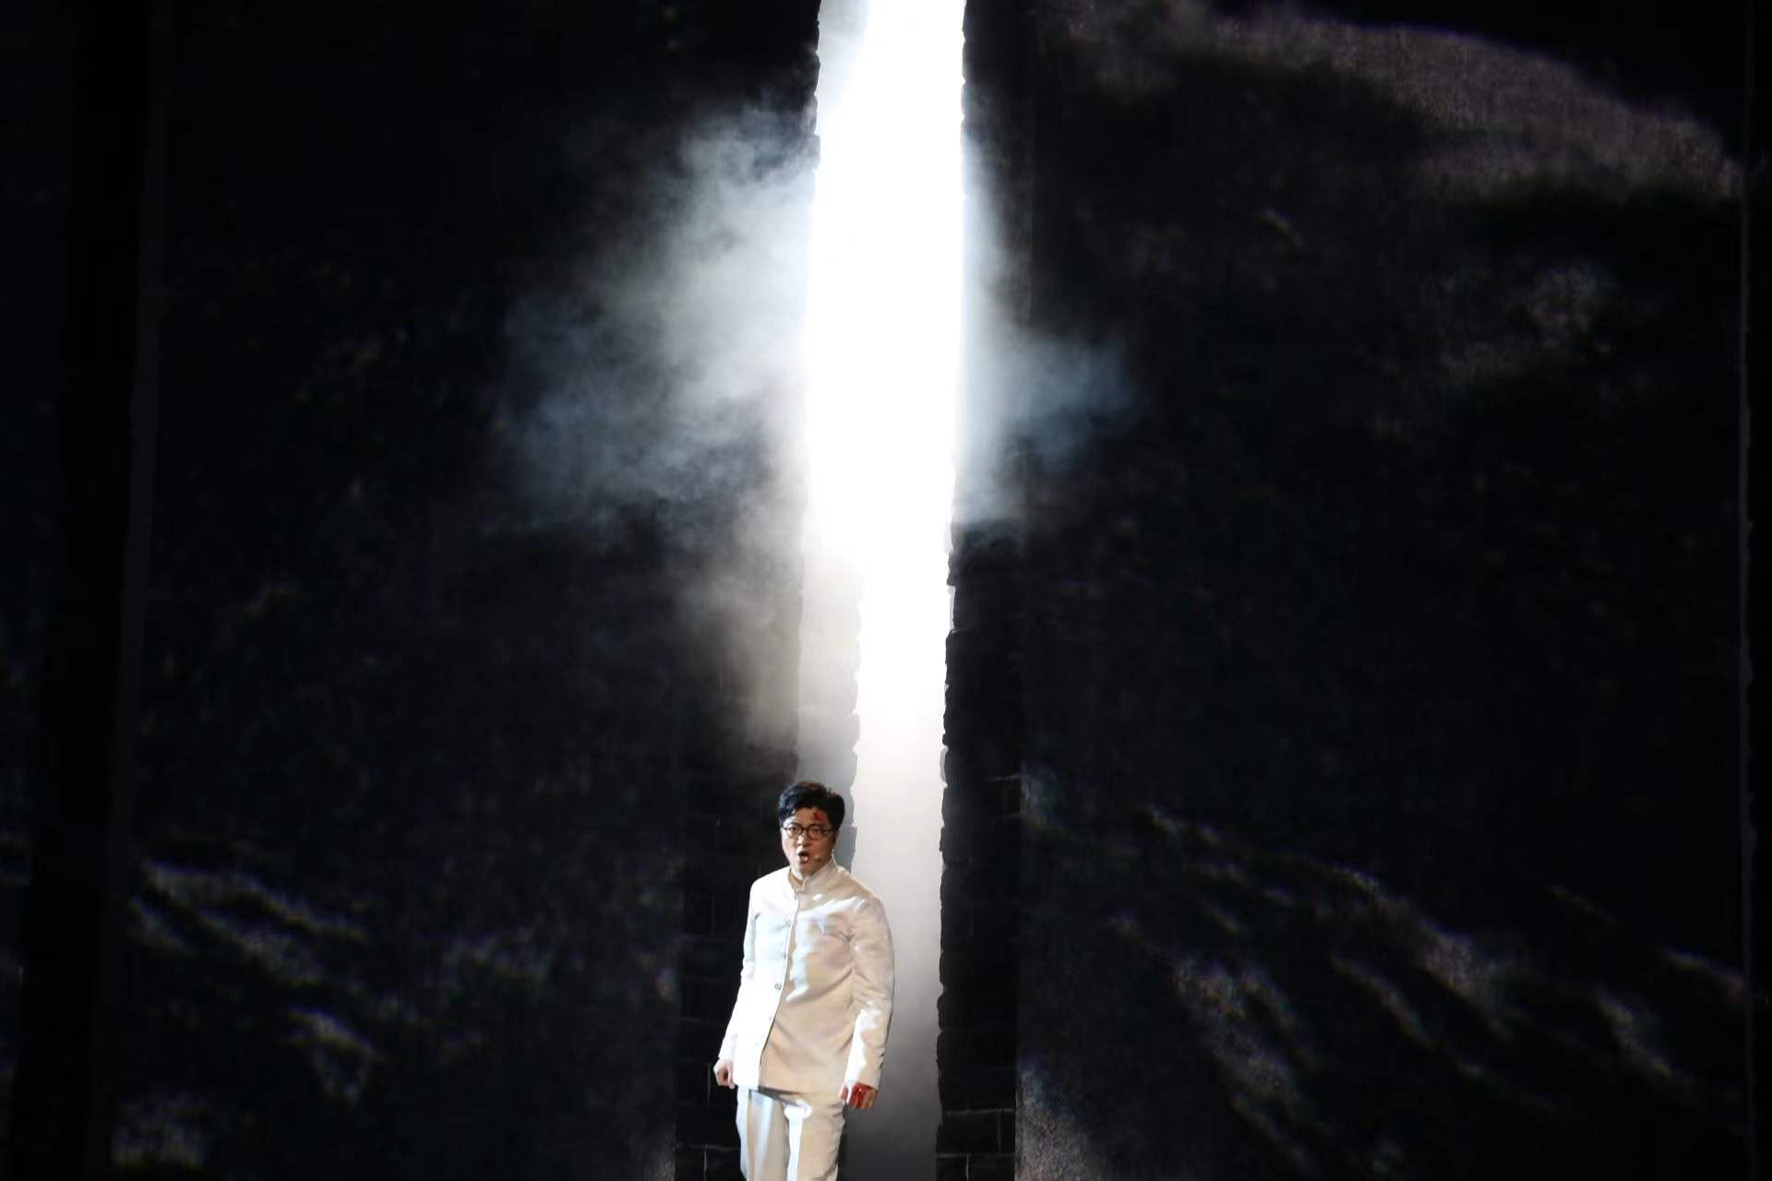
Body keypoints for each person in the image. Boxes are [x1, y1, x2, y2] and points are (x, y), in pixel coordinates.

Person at [713, 781, 894, 1180]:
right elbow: (751, 974)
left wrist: (864, 1071)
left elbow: (874, 998)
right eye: (793, 828)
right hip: (758, 1067)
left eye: (816, 830)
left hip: (818, 1074)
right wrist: (731, 1048)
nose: (803, 840)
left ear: (834, 836)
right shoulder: (762, 892)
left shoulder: (859, 904)